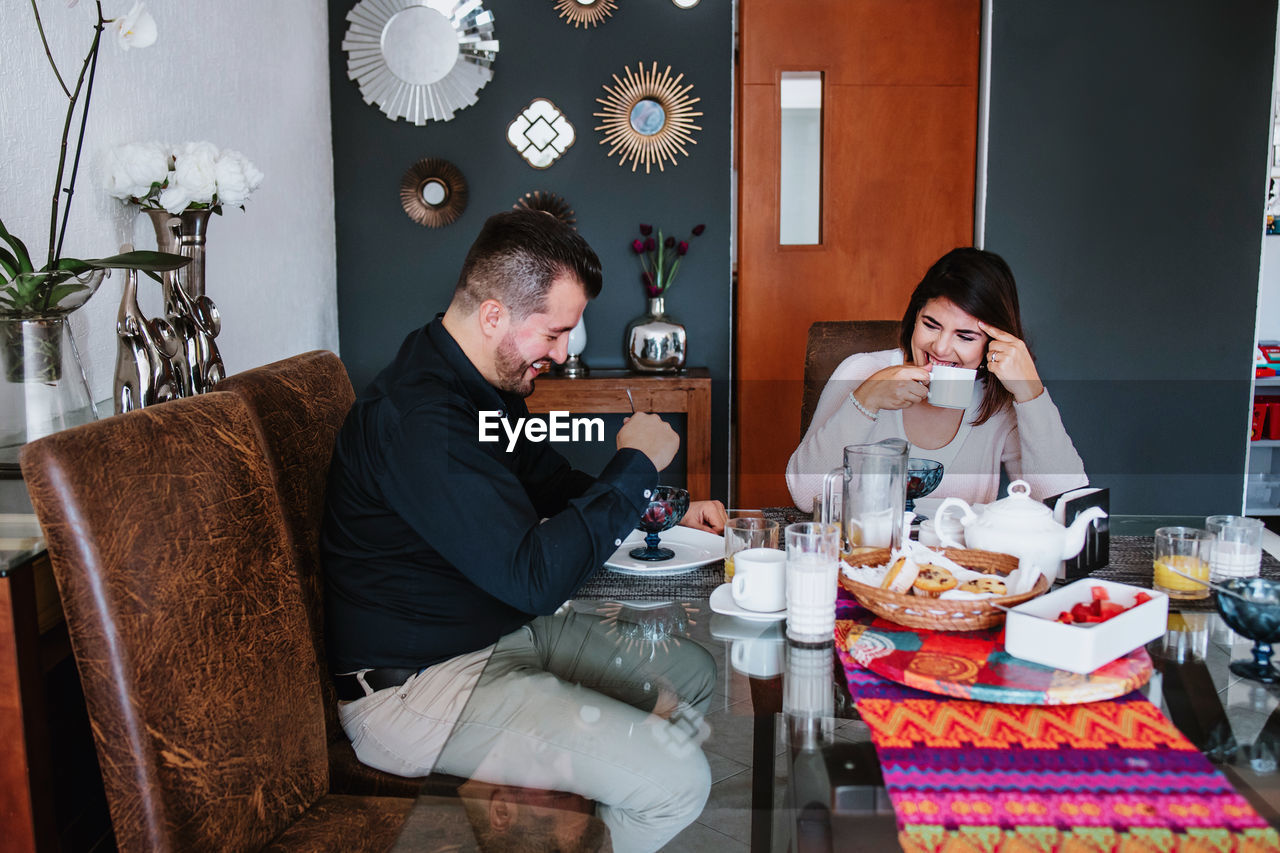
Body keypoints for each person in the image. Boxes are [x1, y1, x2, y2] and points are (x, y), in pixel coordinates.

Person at [321, 209, 725, 853]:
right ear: (493, 316)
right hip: (418, 689)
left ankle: (581, 805)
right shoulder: (422, 419)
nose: (564, 353)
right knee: (680, 782)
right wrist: (636, 462)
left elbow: (555, 485)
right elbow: (534, 575)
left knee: (694, 673)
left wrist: (663, 504)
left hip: (495, 631)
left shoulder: (481, 383)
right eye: (556, 332)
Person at [786, 247, 1087, 511]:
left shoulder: (999, 400)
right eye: (931, 325)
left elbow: (1062, 505)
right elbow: (806, 495)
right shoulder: (862, 371)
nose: (941, 348)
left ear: (993, 343)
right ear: (915, 316)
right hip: (869, 560)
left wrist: (1030, 392)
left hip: (962, 571)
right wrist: (866, 400)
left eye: (965, 336)